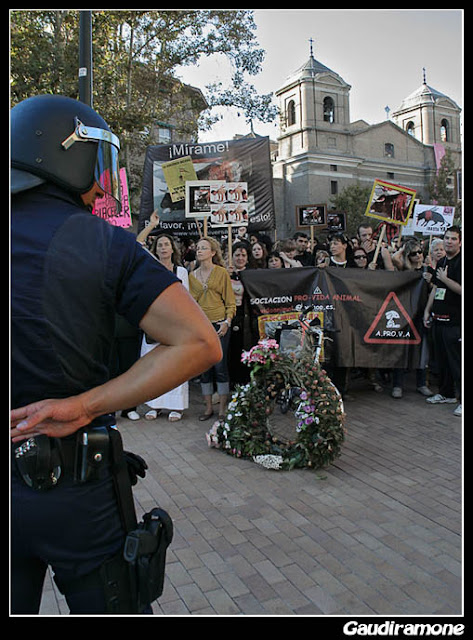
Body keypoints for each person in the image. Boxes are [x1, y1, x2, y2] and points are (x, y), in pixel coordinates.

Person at [10, 94, 221, 615]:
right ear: (69, 156)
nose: (103, 185)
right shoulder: (104, 243)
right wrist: (83, 405)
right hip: (77, 487)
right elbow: (199, 342)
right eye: (98, 165)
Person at [140, 234, 190, 422]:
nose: (163, 248)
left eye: (166, 244)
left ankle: (175, 406)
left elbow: (186, 300)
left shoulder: (181, 272)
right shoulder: (149, 270)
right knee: (153, 365)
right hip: (153, 323)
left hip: (175, 324)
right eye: (159, 245)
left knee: (175, 365)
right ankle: (155, 405)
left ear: (172, 249)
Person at [189, 237, 236, 421]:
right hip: (202, 326)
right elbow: (191, 304)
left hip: (219, 324)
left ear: (213, 252)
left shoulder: (222, 273)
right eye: (198, 248)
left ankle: (222, 408)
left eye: (204, 248)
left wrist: (227, 322)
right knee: (204, 368)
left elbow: (230, 302)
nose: (199, 251)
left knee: (220, 366)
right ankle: (208, 408)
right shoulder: (192, 276)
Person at [423, 226, 462, 416]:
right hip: (438, 320)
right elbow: (436, 289)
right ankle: (446, 393)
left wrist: (446, 280)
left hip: (456, 322)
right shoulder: (442, 261)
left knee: (457, 362)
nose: (449, 241)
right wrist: (427, 310)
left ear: (460, 242)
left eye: (454, 239)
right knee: (442, 362)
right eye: (447, 238)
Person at [389, 238, 432, 399]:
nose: (418, 256)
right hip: (404, 314)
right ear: (408, 255)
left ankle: (422, 383)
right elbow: (394, 258)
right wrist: (404, 247)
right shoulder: (404, 269)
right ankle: (397, 385)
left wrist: (430, 281)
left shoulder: (428, 270)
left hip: (421, 314)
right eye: (414, 253)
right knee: (400, 350)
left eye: (420, 252)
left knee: (422, 351)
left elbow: (434, 289)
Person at [227, 242, 254, 387]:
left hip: (247, 317)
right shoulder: (224, 274)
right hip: (230, 316)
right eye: (237, 255)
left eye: (243, 255)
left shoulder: (253, 275)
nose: (240, 258)